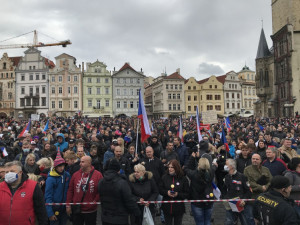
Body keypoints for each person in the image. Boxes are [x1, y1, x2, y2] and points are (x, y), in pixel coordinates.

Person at [0, 161, 48, 225]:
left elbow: (41, 210)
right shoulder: (1, 187)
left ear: (20, 173)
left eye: (12, 171)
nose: (9, 174)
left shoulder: (33, 186)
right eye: (6, 172)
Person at [98, 158, 141, 225]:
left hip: (105, 217)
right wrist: (137, 213)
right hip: (120, 218)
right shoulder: (122, 183)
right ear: (118, 169)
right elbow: (129, 200)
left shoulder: (101, 181)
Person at [66, 156, 103, 225]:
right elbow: (70, 190)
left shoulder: (98, 175)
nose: (80, 164)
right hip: (77, 209)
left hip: (91, 210)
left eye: (82, 162)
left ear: (89, 163)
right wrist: (68, 205)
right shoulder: (75, 175)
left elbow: (101, 190)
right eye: (80, 162)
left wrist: (95, 201)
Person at [223, 159, 254, 225]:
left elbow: (249, 191)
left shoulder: (242, 177)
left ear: (231, 166)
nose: (225, 166)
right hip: (230, 204)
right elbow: (224, 190)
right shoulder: (226, 177)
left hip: (242, 204)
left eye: (226, 164)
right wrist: (225, 198)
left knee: (245, 222)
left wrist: (244, 200)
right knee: (229, 222)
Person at [185, 156, 214, 225]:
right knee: (207, 221)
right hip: (209, 201)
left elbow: (186, 168)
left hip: (197, 202)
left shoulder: (194, 174)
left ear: (199, 165)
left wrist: (192, 157)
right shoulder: (211, 172)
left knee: (199, 223)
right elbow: (214, 167)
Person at [159, 159, 189, 225]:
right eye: (169, 167)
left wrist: (178, 194)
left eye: (172, 167)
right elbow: (160, 189)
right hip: (166, 207)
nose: (170, 169)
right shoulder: (164, 177)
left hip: (179, 208)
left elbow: (187, 193)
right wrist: (167, 192)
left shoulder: (183, 179)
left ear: (176, 167)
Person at [45, 151, 71, 225]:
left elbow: (69, 190)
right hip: (54, 208)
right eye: (59, 166)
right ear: (55, 166)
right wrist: (50, 213)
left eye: (63, 166)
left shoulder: (67, 175)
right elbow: (48, 196)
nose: (62, 168)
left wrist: (68, 205)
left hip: (64, 208)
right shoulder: (50, 179)